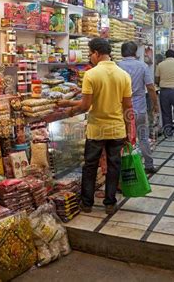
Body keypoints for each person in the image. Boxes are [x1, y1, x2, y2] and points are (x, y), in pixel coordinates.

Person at [57, 38, 133, 215]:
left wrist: (69, 109)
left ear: (97, 53)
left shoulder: (91, 75)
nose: (90, 57)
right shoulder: (123, 75)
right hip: (117, 129)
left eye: (90, 53)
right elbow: (128, 106)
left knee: (90, 166)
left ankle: (87, 203)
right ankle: (109, 203)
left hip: (96, 129)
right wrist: (128, 131)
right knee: (114, 166)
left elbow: (85, 106)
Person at [118, 41, 159, 174]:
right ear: (135, 53)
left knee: (122, 139)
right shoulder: (142, 66)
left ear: (122, 53)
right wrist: (155, 105)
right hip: (139, 108)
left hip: (121, 110)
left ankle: (124, 167)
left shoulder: (117, 66)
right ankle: (148, 165)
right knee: (142, 137)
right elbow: (151, 88)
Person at [155, 49, 174, 139]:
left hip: (164, 92)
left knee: (166, 113)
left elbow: (157, 78)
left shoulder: (160, 65)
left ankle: (168, 134)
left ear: (165, 56)